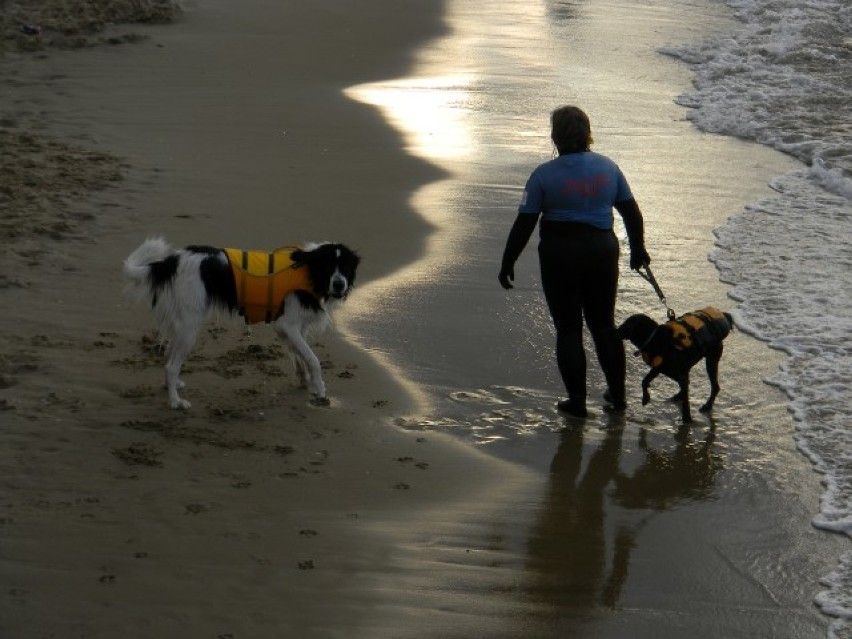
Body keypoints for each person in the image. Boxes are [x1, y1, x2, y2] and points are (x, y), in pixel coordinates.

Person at [498, 105, 650, 418]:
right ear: (588, 134)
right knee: (604, 326)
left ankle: (577, 401)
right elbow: (631, 213)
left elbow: (524, 223)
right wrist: (638, 250)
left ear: (555, 137)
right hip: (601, 251)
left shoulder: (543, 175)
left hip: (560, 253)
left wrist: (508, 261)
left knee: (568, 330)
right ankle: (618, 398)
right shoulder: (608, 168)